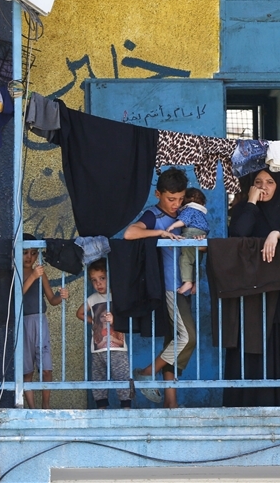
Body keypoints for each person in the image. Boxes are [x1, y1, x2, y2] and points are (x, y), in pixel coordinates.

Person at [223, 168, 280, 407]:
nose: (263, 187)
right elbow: (238, 233)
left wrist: (276, 234)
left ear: (278, 185)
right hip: (250, 290)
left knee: (278, 340)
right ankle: (245, 401)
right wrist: (250, 202)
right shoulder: (242, 209)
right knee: (249, 340)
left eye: (270, 182)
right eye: (257, 182)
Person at [124, 168, 197, 408]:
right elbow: (130, 233)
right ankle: (146, 372)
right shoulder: (153, 215)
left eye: (180, 199)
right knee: (188, 338)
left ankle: (171, 402)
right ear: (158, 194)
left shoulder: (186, 214)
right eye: (170, 199)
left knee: (173, 342)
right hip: (168, 287)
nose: (176, 204)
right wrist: (160, 233)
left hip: (183, 287)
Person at [76, 260, 132, 409]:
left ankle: (126, 406)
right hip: (97, 349)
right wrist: (93, 321)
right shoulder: (92, 299)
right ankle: (101, 407)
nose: (98, 283)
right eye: (94, 280)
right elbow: (80, 313)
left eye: (102, 278)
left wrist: (115, 319)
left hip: (117, 348)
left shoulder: (118, 296)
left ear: (110, 277)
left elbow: (128, 315)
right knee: (98, 378)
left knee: (122, 377)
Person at [22, 233, 68, 409]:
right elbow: (16, 295)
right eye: (25, 252)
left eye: (33, 253)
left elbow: (51, 299)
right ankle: (32, 410)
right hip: (24, 323)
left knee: (47, 369)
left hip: (40, 321)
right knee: (27, 371)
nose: (29, 257)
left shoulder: (41, 273)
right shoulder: (17, 272)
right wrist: (33, 276)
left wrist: (61, 295)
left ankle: (45, 406)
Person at [168, 187, 208, 295]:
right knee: (196, 262)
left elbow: (183, 221)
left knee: (185, 260)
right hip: (202, 236)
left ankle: (188, 282)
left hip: (190, 234)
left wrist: (171, 227)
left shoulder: (189, 209)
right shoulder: (202, 213)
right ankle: (196, 282)